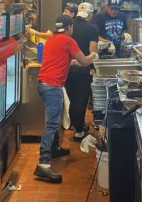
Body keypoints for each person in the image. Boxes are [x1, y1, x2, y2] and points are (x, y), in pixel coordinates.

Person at [35, 15, 98, 183]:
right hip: (52, 86)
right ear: (70, 27)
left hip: (43, 84)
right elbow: (85, 62)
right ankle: (43, 164)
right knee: (51, 124)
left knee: (55, 119)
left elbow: (61, 60)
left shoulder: (53, 40)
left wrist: (72, 62)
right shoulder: (68, 40)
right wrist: (93, 55)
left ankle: (54, 148)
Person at [65, 2, 98, 141]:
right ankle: (78, 132)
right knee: (80, 101)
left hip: (66, 68)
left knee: (72, 100)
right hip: (83, 69)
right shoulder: (92, 29)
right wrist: (96, 54)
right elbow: (92, 51)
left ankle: (78, 124)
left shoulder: (69, 26)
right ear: (90, 15)